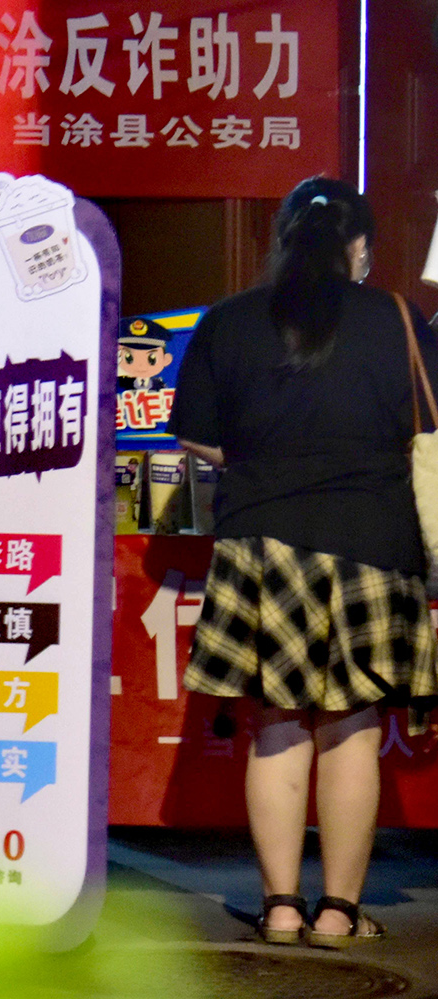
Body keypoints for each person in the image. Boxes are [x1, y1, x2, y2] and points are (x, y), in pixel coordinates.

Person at [171, 176, 438, 946]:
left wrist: (266, 464)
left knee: (277, 727)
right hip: (373, 542)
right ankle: (339, 913)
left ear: (283, 239)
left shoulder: (229, 319)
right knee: (351, 730)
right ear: (360, 247)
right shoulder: (396, 317)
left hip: (262, 540)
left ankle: (281, 908)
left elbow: (195, 434)